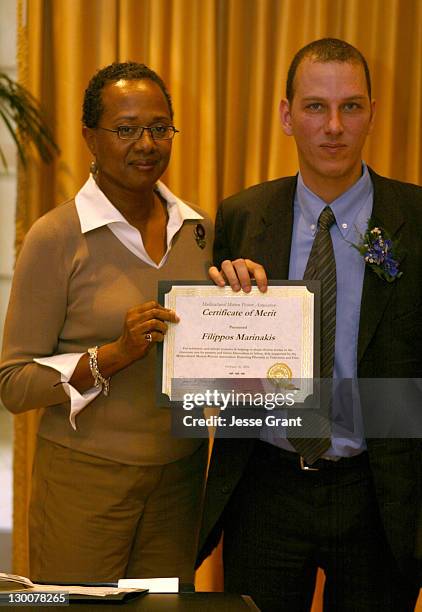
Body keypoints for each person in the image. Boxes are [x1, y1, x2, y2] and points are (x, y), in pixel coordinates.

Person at [196, 39, 422, 611]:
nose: (334, 127)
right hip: (266, 485)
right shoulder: (243, 215)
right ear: (286, 115)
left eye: (350, 106)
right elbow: (219, 371)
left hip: (381, 490)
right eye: (316, 107)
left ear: (372, 112)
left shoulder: (416, 218)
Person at [0, 62, 213, 583]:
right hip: (83, 484)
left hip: (180, 481)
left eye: (160, 127)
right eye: (126, 129)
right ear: (90, 138)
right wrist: (110, 357)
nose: (146, 143)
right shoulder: (56, 237)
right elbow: (12, 383)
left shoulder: (200, 231)